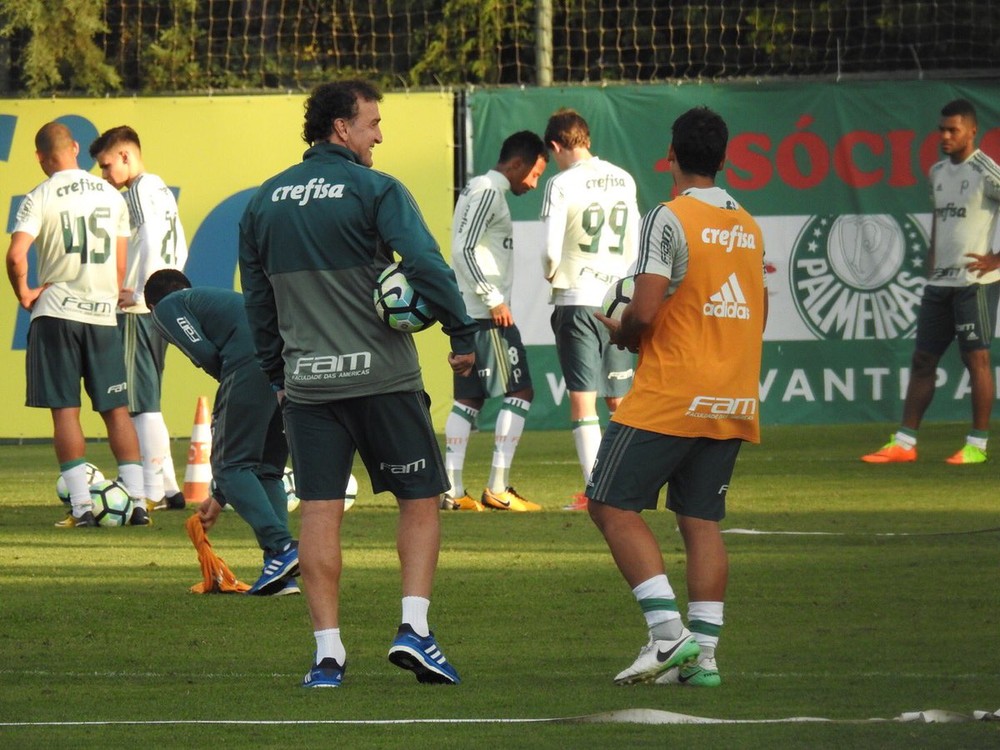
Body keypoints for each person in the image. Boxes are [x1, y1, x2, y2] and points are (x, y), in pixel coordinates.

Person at [238, 79, 479, 688]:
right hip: (384, 379)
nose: (379, 134)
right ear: (341, 128)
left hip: (309, 387)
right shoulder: (377, 189)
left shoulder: (263, 202)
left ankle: (327, 656)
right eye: (372, 122)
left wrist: (278, 373)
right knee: (420, 500)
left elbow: (259, 304)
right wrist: (461, 331)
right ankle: (415, 631)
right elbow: (424, 264)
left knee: (320, 512)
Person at [587, 106, 767, 687]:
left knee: (609, 505)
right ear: (723, 158)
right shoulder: (748, 224)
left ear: (671, 155)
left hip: (671, 392)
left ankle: (668, 637)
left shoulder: (668, 216)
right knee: (700, 519)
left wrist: (626, 335)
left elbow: (642, 309)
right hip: (733, 395)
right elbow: (756, 313)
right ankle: (705, 661)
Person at [5, 122, 148, 527]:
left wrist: (25, 293)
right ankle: (137, 502)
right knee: (117, 410)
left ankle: (83, 507)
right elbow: (120, 264)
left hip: (57, 313)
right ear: (75, 148)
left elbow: (16, 256)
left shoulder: (40, 195)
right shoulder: (110, 195)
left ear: (39, 158)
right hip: (102, 315)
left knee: (66, 412)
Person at [144, 269, 299, 596]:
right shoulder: (217, 301)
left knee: (230, 466)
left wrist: (234, 385)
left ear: (151, 305)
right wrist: (218, 499)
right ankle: (282, 573)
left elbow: (203, 352)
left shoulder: (167, 308)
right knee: (266, 471)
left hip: (250, 364)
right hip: (287, 361)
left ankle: (282, 547)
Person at [863, 99, 1000, 466]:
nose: (945, 135)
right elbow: (941, 223)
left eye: (953, 129)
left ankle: (977, 444)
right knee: (923, 358)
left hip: (976, 281)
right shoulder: (937, 172)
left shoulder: (987, 170)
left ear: (972, 131)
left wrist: (997, 258)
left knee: (978, 360)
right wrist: (931, 266)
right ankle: (905, 443)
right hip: (940, 283)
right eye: (941, 129)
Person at [539, 108, 639, 511]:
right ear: (588, 140)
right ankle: (630, 482)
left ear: (556, 146)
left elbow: (549, 250)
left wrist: (551, 274)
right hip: (617, 300)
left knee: (583, 400)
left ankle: (595, 491)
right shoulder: (624, 177)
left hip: (577, 298)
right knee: (621, 400)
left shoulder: (561, 182)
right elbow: (633, 238)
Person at [443, 131, 548, 513]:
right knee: (520, 392)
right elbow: (463, 249)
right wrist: (494, 298)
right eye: (534, 174)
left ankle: (453, 492)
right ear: (517, 164)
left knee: (468, 399)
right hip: (486, 313)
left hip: (469, 310)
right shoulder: (489, 191)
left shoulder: (480, 189)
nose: (533, 184)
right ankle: (498, 488)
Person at [89, 126, 189, 509]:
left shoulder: (138, 191)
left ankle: (148, 488)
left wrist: (143, 291)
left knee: (139, 400)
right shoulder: (162, 190)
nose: (104, 175)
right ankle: (166, 486)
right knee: (147, 396)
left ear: (127, 157)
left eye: (106, 165)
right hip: (162, 303)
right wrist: (167, 290)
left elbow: (147, 238)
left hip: (139, 309)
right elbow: (177, 242)